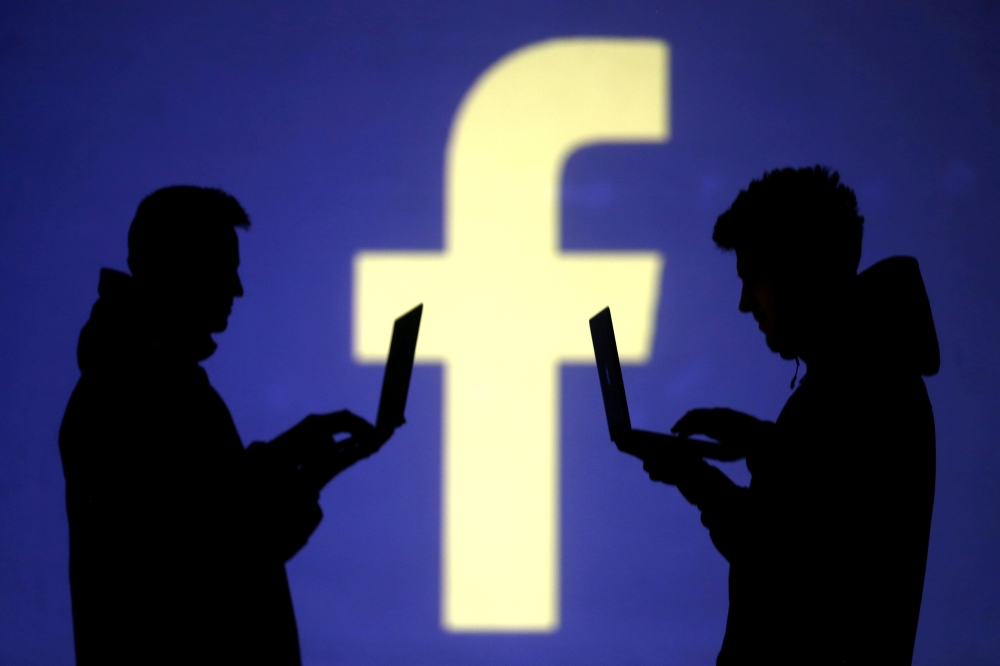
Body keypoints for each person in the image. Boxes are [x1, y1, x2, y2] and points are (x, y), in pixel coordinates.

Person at [59, 186, 392, 665]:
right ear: (179, 269)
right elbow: (209, 564)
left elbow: (207, 510)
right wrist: (302, 480)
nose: (237, 289)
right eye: (224, 270)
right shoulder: (139, 392)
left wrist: (288, 458)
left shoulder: (148, 381)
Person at [622, 166, 938, 664]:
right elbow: (827, 495)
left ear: (802, 271)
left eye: (754, 278)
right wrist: (759, 440)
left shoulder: (856, 392)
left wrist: (695, 478)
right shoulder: (873, 379)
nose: (745, 303)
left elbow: (783, 559)